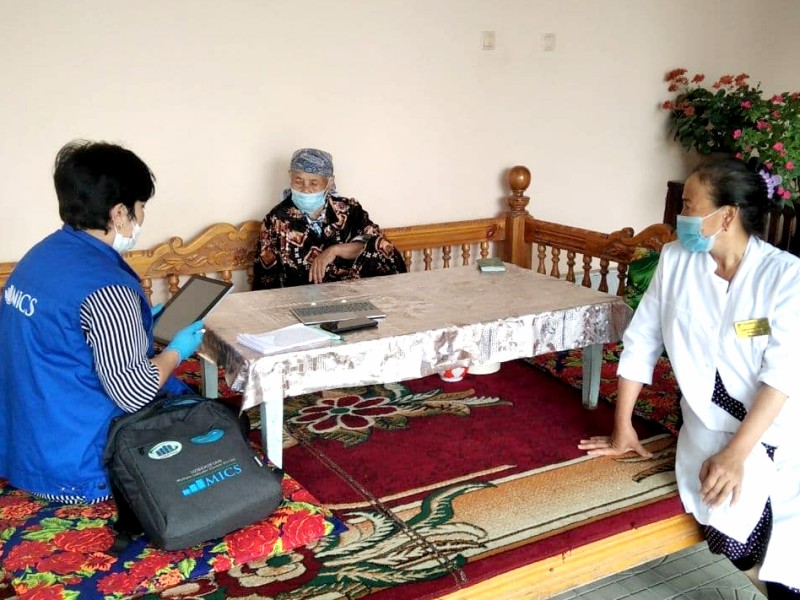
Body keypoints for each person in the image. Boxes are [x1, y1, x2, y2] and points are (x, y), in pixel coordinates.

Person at [578, 157, 800, 598]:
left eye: (688, 205)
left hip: (775, 428)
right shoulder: (676, 259)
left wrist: (737, 454)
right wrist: (622, 427)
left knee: (787, 555)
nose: (680, 216)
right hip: (705, 424)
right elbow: (642, 340)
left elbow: (783, 375)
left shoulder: (785, 276)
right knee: (731, 537)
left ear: (727, 216)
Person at [0, 140, 205, 504]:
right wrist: (176, 352)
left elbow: (65, 336)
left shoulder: (40, 256)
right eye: (141, 207)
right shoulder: (108, 288)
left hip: (24, 447)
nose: (142, 218)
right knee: (206, 421)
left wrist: (138, 325)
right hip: (78, 467)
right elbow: (134, 391)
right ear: (119, 213)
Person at [252, 148, 406, 290]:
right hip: (302, 300)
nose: (305, 189)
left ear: (329, 183)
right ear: (290, 177)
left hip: (350, 295)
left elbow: (376, 244)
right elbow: (265, 277)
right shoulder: (276, 220)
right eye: (298, 181)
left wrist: (334, 251)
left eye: (314, 183)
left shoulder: (349, 210)